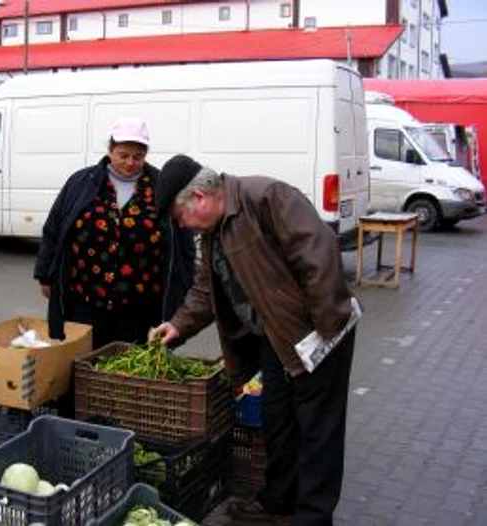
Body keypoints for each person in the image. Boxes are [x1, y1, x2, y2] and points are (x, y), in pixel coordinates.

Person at [149, 154, 358, 526]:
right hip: (278, 340)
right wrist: (178, 326)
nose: (184, 228)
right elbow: (205, 288)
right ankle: (278, 502)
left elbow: (321, 257)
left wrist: (321, 334)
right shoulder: (212, 232)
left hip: (319, 336)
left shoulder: (266, 197)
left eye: (180, 219)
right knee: (278, 419)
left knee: (318, 432)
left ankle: (312, 517)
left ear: (198, 196)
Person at [33, 118, 195, 350]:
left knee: (132, 366)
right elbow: (55, 228)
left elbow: (184, 240)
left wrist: (185, 286)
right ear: (110, 151)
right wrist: (45, 275)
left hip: (141, 302)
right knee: (83, 361)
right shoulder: (82, 182)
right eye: (123, 155)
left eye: (138, 156)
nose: (130, 162)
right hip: (86, 298)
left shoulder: (161, 186)